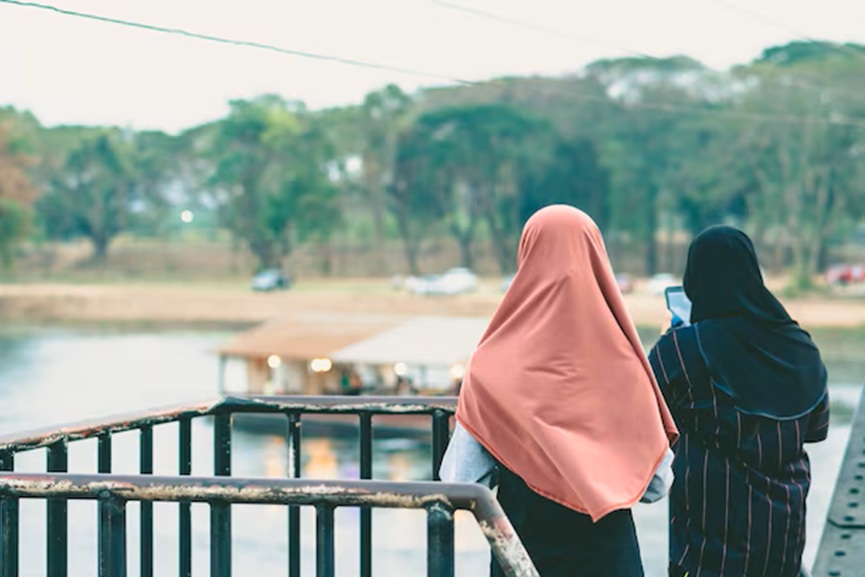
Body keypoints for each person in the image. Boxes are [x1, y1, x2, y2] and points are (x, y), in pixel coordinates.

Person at [455, 205, 679, 577]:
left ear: (526, 258)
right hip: (610, 560)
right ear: (597, 258)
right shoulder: (625, 366)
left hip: (521, 557)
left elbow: (461, 480)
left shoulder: (490, 367)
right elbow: (657, 485)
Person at [649, 226, 829, 577]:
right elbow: (816, 428)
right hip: (781, 547)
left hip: (706, 552)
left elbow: (648, 420)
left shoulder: (683, 349)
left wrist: (673, 337)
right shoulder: (799, 346)